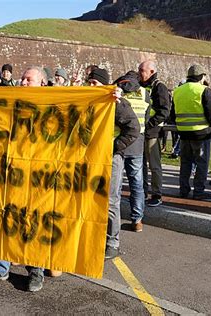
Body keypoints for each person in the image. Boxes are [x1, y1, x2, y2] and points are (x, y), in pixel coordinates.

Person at [0, 66, 49, 292]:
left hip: (38, 178)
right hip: (8, 174)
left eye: (29, 80)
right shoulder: (10, 100)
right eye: (23, 79)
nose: (23, 82)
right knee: (2, 218)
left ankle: (35, 269)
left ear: (42, 84)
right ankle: (1, 267)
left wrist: (115, 99)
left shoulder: (55, 104)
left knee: (33, 221)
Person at [88, 69, 140, 259]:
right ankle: (95, 237)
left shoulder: (117, 103)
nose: (90, 86)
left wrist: (112, 147)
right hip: (92, 157)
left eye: (94, 82)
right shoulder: (91, 101)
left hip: (111, 158)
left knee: (110, 201)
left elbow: (133, 129)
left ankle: (112, 241)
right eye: (89, 82)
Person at [172, 65, 211, 200]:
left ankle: (183, 190)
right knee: (201, 163)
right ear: (202, 76)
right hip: (201, 133)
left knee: (185, 162)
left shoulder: (178, 91)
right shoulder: (204, 90)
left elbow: (172, 113)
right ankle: (198, 191)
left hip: (184, 132)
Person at [114, 70, 150, 232]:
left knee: (117, 185)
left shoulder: (116, 90)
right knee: (137, 184)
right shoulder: (145, 93)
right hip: (137, 142)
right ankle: (137, 220)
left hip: (118, 143)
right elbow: (147, 116)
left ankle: (115, 219)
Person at [138, 60, 171, 207]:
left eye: (142, 70)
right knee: (140, 165)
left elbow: (164, 111)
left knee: (154, 165)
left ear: (151, 71)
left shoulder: (159, 87)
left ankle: (157, 194)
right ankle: (142, 192)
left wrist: (148, 124)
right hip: (140, 132)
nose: (139, 73)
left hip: (151, 132)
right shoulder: (140, 86)